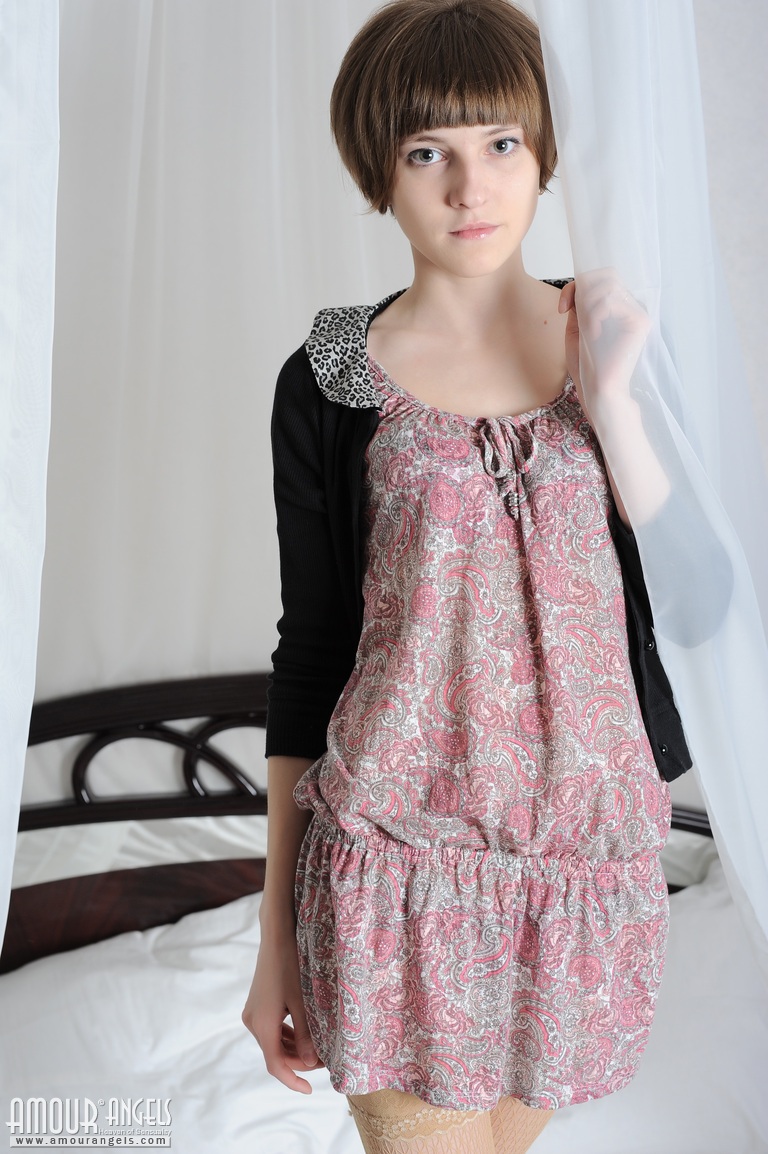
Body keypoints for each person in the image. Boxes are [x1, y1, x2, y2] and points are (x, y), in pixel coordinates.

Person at [242, 2, 693, 1151]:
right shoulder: (331, 379)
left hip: (582, 888)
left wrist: (614, 403)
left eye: (500, 143)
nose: (469, 186)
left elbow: (709, 604)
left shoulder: (620, 337)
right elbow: (312, 654)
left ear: (543, 152)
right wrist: (273, 939)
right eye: (425, 152)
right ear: (379, 171)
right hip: (397, 883)